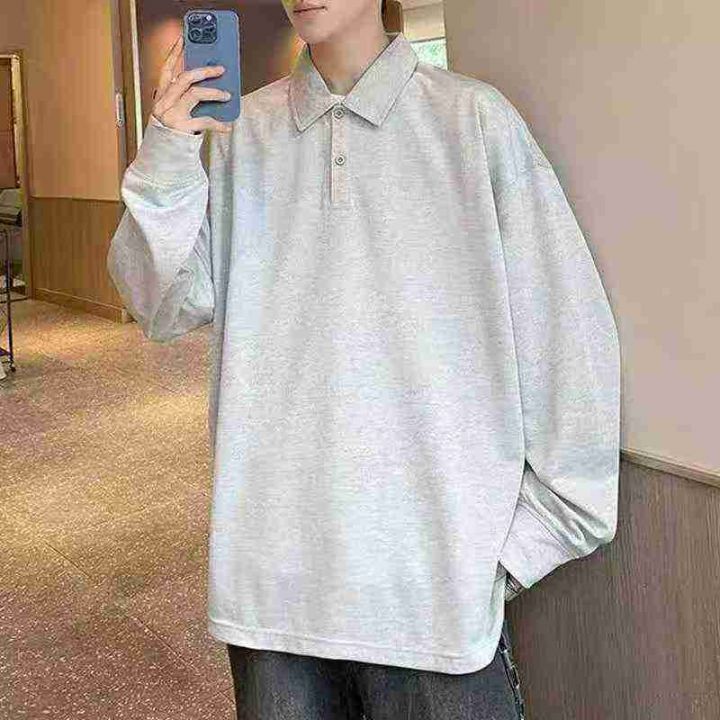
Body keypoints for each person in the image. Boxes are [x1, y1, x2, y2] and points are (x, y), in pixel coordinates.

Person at [106, 0, 621, 717]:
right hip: (271, 597)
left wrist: (517, 549)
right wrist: (166, 149)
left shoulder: (473, 121)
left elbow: (567, 340)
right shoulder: (240, 135)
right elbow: (160, 307)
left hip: (434, 602)